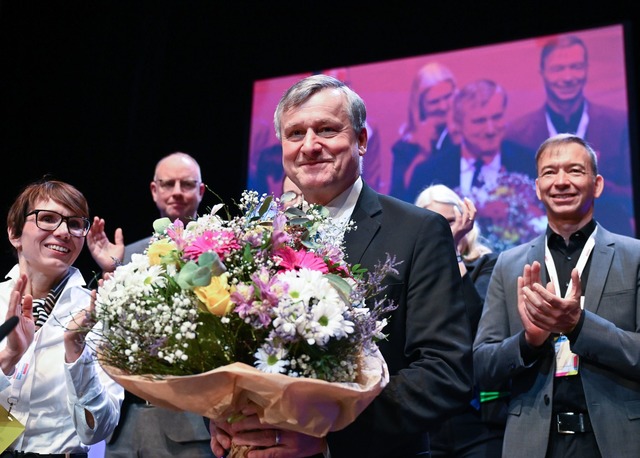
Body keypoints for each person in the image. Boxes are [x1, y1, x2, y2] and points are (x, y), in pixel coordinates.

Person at [209, 74, 474, 457]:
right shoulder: (256, 236)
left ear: (362, 140)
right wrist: (221, 416)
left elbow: (444, 373)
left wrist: (326, 436)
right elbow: (226, 359)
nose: (310, 146)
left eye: (327, 130)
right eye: (295, 134)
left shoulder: (418, 231)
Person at [474, 133, 640, 458]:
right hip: (533, 444)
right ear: (537, 187)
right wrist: (529, 341)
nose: (561, 182)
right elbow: (482, 367)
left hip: (616, 441)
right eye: (550, 172)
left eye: (575, 171)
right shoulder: (508, 265)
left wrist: (579, 326)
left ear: (598, 184)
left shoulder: (634, 257)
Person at [86, 152, 213, 458]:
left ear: (201, 191)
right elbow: (98, 331)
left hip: (190, 424)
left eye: (187, 183)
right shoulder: (126, 256)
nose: (177, 191)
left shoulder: (220, 253)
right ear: (155, 191)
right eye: (168, 184)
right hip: (123, 425)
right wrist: (110, 272)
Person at [0, 178, 123, 456]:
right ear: (14, 233)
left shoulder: (99, 315)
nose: (64, 231)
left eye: (75, 223)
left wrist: (76, 353)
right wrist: (8, 357)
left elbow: (98, 431)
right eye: (47, 218)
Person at [505, 34, 633, 235]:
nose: (567, 77)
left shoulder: (618, 124)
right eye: (558, 69)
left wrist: (592, 181)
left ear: (586, 69)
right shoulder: (518, 133)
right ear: (543, 72)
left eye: (575, 67)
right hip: (544, 246)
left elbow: (630, 196)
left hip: (612, 238)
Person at [415, 184, 505, 457]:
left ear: (466, 223)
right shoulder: (417, 279)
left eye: (451, 223)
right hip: (431, 420)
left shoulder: (488, 265)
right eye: (435, 226)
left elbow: (475, 324)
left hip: (479, 419)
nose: (446, 232)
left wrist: (450, 251)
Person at [390, 62, 457, 202]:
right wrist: (423, 154)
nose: (444, 107)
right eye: (434, 102)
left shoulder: (469, 136)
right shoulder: (405, 147)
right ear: (420, 106)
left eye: (448, 97)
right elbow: (398, 198)